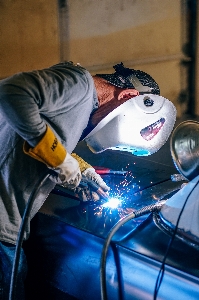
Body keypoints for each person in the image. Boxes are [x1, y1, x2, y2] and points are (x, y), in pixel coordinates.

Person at [0, 61, 160, 299]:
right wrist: (58, 159)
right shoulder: (79, 84)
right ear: (128, 96)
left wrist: (82, 171)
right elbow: (10, 92)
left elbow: (32, 137)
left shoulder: (79, 104)